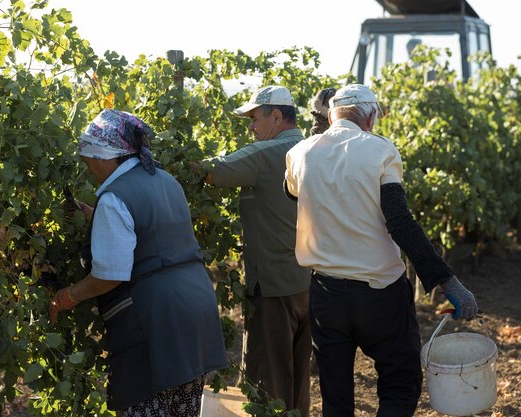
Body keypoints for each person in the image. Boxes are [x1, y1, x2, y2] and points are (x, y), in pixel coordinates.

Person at [284, 84, 478, 417]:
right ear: (371, 116)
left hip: (326, 296)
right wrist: (448, 282)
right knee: (400, 384)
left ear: (331, 115)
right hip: (380, 295)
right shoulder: (380, 151)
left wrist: (318, 138)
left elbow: (291, 192)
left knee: (336, 396)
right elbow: (400, 222)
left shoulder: (299, 152)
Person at [49, 109, 228, 417]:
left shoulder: (115, 198)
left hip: (155, 321)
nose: (87, 168)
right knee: (180, 409)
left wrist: (68, 296)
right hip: (195, 311)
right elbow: (153, 230)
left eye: (86, 159)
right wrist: (97, 217)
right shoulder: (165, 179)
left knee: (145, 405)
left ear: (103, 156)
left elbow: (109, 275)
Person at [205, 86, 312, 416]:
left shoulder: (269, 154)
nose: (251, 127)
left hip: (273, 289)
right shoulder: (313, 147)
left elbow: (212, 171)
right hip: (309, 283)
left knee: (267, 383)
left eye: (254, 118)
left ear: (276, 116)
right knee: (298, 380)